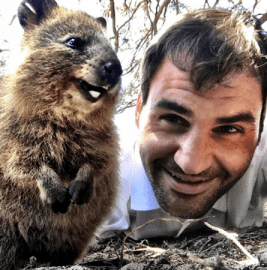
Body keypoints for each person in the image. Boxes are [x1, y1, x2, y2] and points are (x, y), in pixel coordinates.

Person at [99, 8, 267, 240]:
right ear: (138, 112)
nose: (191, 165)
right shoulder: (98, 175)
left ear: (260, 131)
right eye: (173, 119)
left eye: (229, 129)